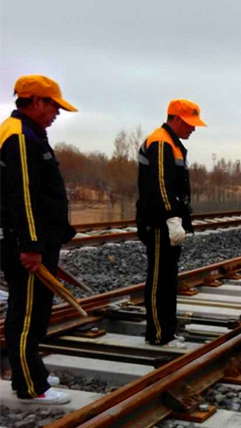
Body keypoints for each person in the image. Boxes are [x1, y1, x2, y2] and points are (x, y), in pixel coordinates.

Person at [0, 75, 78, 404]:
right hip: (28, 245)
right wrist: (31, 246)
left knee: (34, 311)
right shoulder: (19, 136)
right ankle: (32, 387)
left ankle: (31, 373)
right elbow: (22, 196)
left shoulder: (29, 132)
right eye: (53, 106)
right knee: (27, 314)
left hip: (38, 240)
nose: (57, 113)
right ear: (36, 102)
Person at [136, 99, 206, 349]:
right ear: (175, 119)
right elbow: (161, 184)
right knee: (160, 279)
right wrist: (171, 217)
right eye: (189, 123)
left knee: (168, 278)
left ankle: (167, 331)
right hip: (158, 223)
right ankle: (159, 335)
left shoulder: (172, 143)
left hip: (167, 221)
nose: (193, 128)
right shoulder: (160, 142)